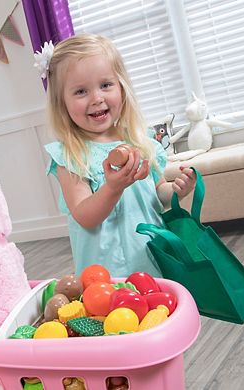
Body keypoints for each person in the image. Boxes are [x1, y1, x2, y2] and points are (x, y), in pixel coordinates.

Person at [40, 34, 196, 277]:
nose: (96, 98)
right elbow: (85, 216)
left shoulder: (141, 142)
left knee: (163, 313)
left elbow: (157, 194)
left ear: (122, 87)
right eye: (81, 91)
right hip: (108, 275)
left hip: (154, 261)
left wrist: (176, 191)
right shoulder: (71, 155)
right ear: (62, 103)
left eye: (105, 85)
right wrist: (113, 188)